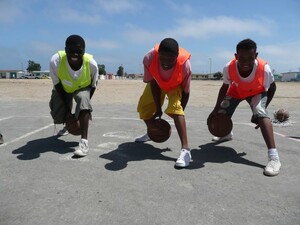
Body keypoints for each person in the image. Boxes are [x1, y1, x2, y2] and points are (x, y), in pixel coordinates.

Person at [207, 38, 281, 176]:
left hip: (256, 93)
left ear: (256, 56)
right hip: (236, 92)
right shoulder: (228, 67)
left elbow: (272, 88)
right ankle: (226, 134)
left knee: (260, 112)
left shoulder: (264, 69)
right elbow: (224, 87)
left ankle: (274, 158)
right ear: (236, 56)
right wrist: (215, 108)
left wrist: (261, 112)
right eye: (242, 58)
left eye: (250, 58)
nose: (246, 62)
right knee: (221, 113)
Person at [135, 38, 192, 168]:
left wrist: (180, 112)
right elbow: (153, 82)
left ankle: (186, 150)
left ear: (177, 56)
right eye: (163, 57)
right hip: (157, 83)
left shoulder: (185, 65)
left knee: (176, 108)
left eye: (170, 58)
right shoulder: (149, 58)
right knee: (144, 107)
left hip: (175, 85)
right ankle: (152, 131)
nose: (166, 61)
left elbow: (186, 92)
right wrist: (158, 108)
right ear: (158, 54)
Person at [49, 34, 98, 157]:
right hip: (63, 89)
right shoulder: (56, 61)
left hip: (83, 87)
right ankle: (66, 125)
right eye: (71, 51)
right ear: (65, 50)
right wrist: (69, 115)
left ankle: (84, 142)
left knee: (83, 99)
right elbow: (58, 86)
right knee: (57, 116)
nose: (75, 54)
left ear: (84, 51)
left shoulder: (92, 64)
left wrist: (82, 110)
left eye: (79, 51)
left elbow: (93, 86)